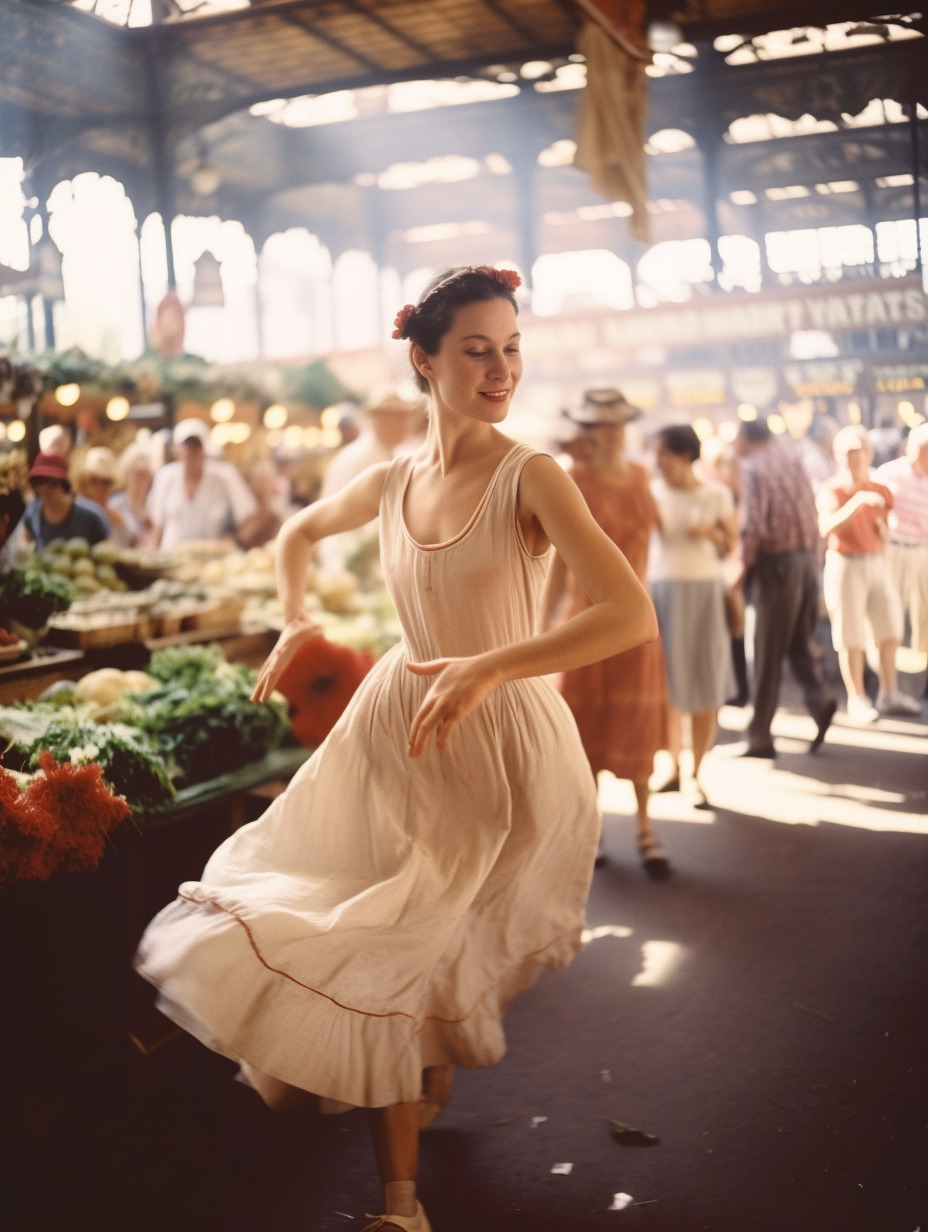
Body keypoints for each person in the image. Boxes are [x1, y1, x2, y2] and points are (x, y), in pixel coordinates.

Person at [133, 265, 657, 1232]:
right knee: (387, 933)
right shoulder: (387, 480)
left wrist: (492, 666)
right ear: (424, 358)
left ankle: (405, 1171)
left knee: (406, 932)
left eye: (511, 349)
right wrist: (292, 619)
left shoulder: (531, 474)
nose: (501, 369)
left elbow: (629, 612)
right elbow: (293, 532)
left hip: (499, 739)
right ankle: (403, 1190)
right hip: (398, 724)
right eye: (476, 350)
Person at [540, 387, 671, 877]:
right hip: (585, 619)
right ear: (587, 431)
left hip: (635, 621)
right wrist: (541, 626)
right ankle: (589, 828)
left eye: (617, 423)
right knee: (586, 727)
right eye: (600, 424)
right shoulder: (573, 479)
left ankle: (645, 829)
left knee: (637, 723)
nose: (610, 433)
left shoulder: (641, 475)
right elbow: (557, 558)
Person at [735, 418, 837, 757]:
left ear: (748, 438)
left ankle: (759, 736)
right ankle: (819, 700)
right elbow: (812, 511)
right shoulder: (792, 461)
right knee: (797, 643)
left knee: (765, 652)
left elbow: (754, 524)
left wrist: (741, 569)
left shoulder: (753, 467)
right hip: (807, 561)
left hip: (776, 566)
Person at [649, 423, 736, 807]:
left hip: (703, 592)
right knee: (664, 686)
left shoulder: (716, 494)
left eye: (663, 453)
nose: (657, 460)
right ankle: (672, 766)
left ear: (684, 455)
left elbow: (730, 544)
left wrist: (710, 534)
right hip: (660, 593)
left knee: (704, 684)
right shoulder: (650, 493)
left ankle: (698, 773)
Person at [817, 424, 921, 721]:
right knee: (850, 635)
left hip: (876, 560)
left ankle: (889, 692)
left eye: (857, 451)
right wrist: (857, 503)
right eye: (846, 452)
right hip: (846, 563)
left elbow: (885, 529)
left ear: (868, 452)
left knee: (889, 629)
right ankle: (857, 698)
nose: (853, 458)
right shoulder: (833, 489)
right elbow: (826, 526)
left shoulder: (881, 490)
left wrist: (882, 531)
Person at [316, 389, 424, 575]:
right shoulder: (364, 457)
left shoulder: (384, 453)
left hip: (361, 558)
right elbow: (352, 519)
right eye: (398, 417)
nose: (405, 424)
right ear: (378, 420)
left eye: (406, 417)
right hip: (348, 560)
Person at [146, 417, 260, 551]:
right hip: (170, 560)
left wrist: (234, 540)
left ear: (205, 449)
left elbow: (250, 519)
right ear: (176, 449)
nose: (191, 451)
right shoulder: (164, 477)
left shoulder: (225, 477)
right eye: (187, 445)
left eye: (197, 445)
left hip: (211, 564)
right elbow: (156, 526)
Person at [875, 422, 928, 670]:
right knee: (891, 609)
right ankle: (885, 669)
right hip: (896, 547)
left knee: (925, 613)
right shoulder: (889, 472)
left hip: (924, 548)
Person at [20, 451, 111, 550]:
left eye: (51, 483)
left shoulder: (91, 514)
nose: (43, 489)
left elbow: (108, 549)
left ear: (64, 484)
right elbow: (27, 544)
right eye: (38, 482)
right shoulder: (32, 512)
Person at [108, 440, 156, 548]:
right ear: (126, 474)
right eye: (137, 474)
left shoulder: (154, 504)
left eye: (146, 474)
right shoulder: (115, 505)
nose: (141, 480)